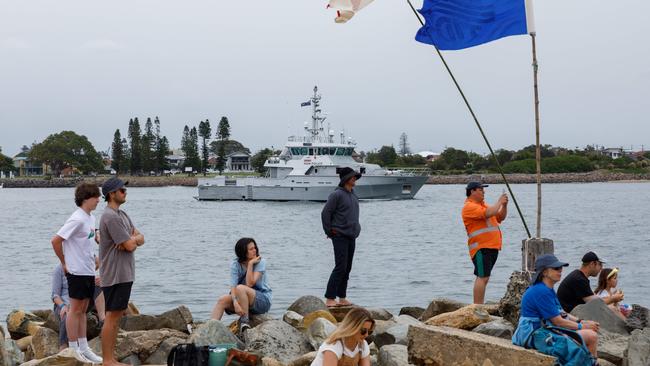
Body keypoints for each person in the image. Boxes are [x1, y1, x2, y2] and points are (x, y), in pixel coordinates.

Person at [50, 182, 104, 363]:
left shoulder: (90, 217)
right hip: (76, 271)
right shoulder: (77, 218)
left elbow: (90, 233)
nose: (98, 200)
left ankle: (84, 347)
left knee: (82, 310)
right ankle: (73, 349)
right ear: (85, 199)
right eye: (96, 196)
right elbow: (56, 241)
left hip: (88, 270)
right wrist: (64, 262)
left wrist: (96, 236)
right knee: (74, 310)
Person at [513, 254, 600, 360]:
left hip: (541, 330)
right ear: (544, 272)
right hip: (533, 335)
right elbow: (558, 321)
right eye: (556, 268)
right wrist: (583, 327)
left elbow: (560, 312)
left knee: (588, 335)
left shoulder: (547, 288)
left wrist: (581, 322)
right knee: (591, 337)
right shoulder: (541, 291)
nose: (560, 271)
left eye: (561, 268)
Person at [99, 178, 145, 366]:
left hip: (125, 273)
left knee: (116, 317)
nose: (125, 192)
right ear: (112, 194)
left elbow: (140, 237)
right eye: (122, 190)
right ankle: (108, 360)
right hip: (115, 274)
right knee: (112, 317)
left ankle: (111, 358)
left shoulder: (122, 214)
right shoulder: (110, 216)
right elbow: (130, 245)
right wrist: (132, 241)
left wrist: (133, 239)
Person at [211, 238, 272, 335]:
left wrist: (251, 264)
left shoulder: (260, 262)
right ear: (243, 252)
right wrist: (235, 303)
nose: (255, 250)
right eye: (251, 249)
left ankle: (244, 322)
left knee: (241, 288)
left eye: (255, 247)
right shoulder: (235, 264)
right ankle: (210, 331)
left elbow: (249, 283)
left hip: (262, 300)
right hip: (242, 300)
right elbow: (233, 286)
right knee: (222, 300)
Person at [461, 181, 508, 304]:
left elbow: (500, 217)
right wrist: (499, 202)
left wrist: (504, 205)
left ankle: (479, 305)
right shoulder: (469, 207)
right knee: (482, 277)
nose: (484, 192)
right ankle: (477, 306)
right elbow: (489, 213)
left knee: (485, 277)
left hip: (492, 246)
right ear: (472, 191)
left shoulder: (484, 205)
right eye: (481, 189)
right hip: (481, 247)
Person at [321, 167, 361, 308]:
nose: (354, 179)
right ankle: (330, 297)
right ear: (346, 179)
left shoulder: (353, 194)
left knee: (347, 267)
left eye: (355, 177)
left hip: (351, 236)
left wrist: (357, 228)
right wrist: (330, 232)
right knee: (340, 266)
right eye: (352, 177)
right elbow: (326, 213)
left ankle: (342, 297)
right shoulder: (336, 195)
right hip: (340, 235)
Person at [51, 263, 106, 351]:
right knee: (67, 315)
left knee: (98, 287)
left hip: (81, 302)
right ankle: (63, 346)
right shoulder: (59, 269)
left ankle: (103, 323)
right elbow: (55, 296)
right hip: (63, 304)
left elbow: (99, 261)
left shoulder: (84, 264)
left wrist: (102, 279)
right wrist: (62, 306)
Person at [557, 251, 623, 313]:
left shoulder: (578, 275)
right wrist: (614, 298)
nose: (601, 268)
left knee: (610, 309)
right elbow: (595, 303)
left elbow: (594, 298)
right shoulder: (579, 279)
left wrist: (612, 296)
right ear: (592, 264)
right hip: (569, 314)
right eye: (600, 264)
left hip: (571, 312)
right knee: (610, 310)